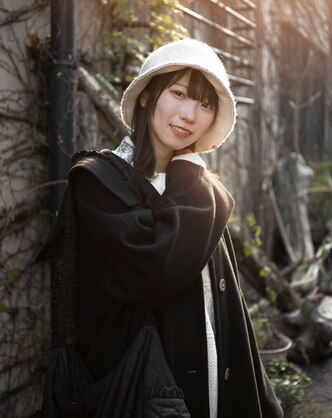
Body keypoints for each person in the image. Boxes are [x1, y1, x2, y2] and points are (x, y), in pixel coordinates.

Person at [37, 39, 283, 418]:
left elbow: (229, 304)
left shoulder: (200, 188)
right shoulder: (99, 182)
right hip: (148, 393)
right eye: (179, 93)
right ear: (149, 95)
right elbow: (150, 271)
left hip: (216, 387)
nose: (189, 114)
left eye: (205, 104)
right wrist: (190, 178)